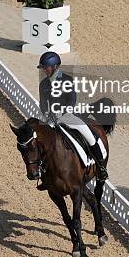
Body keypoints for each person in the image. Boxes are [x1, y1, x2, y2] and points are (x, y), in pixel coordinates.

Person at [38, 51, 108, 181]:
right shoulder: (43, 84)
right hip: (50, 118)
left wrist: (62, 112)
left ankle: (101, 168)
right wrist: (46, 114)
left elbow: (71, 100)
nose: (44, 70)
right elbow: (43, 103)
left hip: (67, 115)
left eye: (45, 67)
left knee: (89, 135)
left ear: (54, 67)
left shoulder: (67, 80)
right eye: (42, 68)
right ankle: (44, 172)